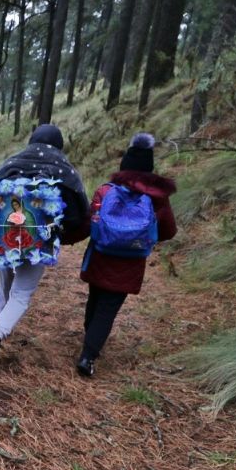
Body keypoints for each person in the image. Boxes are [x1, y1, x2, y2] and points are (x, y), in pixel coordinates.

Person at [0, 124, 89, 365]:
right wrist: (59, 230)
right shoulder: (66, 170)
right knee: (21, 293)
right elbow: (78, 215)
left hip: (3, 234)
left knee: (5, 282)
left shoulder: (12, 162)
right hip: (39, 242)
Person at [77, 133, 177, 377]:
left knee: (96, 297)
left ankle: (90, 339)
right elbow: (168, 231)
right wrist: (142, 236)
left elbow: (90, 221)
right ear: (149, 169)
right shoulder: (157, 198)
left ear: (124, 165)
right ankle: (88, 355)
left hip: (101, 255)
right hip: (131, 262)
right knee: (109, 307)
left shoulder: (105, 190)